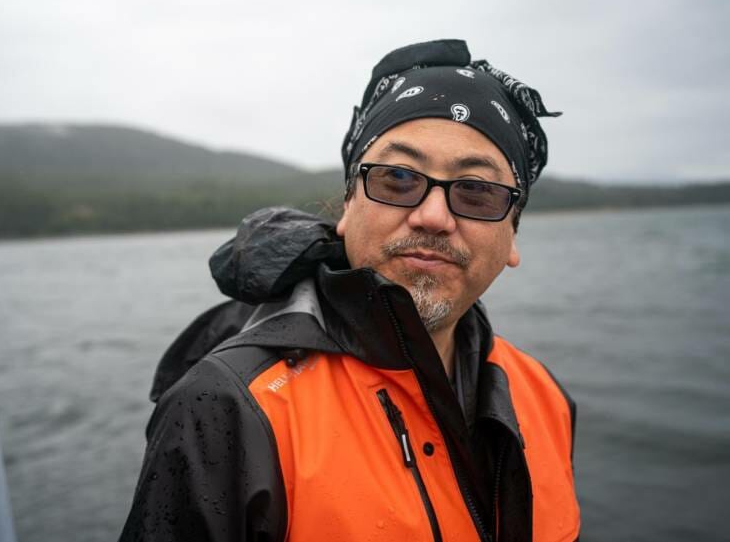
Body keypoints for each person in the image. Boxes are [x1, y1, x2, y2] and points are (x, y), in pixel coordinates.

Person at [120, 39, 580, 542]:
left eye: (476, 190)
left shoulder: (543, 395)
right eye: (398, 178)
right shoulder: (229, 409)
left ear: (513, 233)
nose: (432, 216)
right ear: (347, 206)